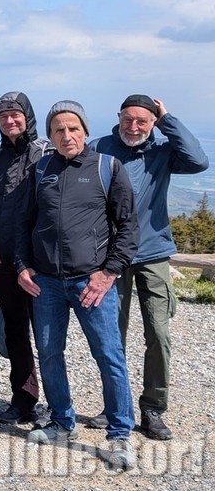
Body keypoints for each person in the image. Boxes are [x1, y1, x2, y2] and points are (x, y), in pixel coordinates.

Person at [16, 100, 139, 469]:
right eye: (58, 130)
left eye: (73, 128)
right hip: (47, 282)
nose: (66, 135)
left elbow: (128, 227)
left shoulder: (107, 167)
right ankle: (61, 422)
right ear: (50, 135)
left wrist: (109, 273)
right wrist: (22, 266)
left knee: (109, 356)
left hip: (92, 280)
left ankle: (119, 435)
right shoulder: (40, 170)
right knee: (51, 354)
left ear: (85, 131)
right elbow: (23, 224)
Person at [88, 95, 209, 440]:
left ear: (154, 122)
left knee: (158, 332)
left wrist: (168, 119)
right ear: (119, 117)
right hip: (110, 257)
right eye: (128, 119)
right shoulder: (101, 147)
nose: (134, 127)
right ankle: (116, 405)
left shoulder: (162, 149)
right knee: (113, 337)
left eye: (143, 121)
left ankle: (153, 408)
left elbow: (199, 161)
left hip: (153, 253)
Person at [0, 91, 49, 425]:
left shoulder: (43, 155)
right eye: (3, 116)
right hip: (2, 260)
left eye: (15, 114)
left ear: (27, 116)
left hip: (38, 263)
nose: (9, 121)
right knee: (16, 333)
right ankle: (24, 399)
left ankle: (59, 406)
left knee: (48, 336)